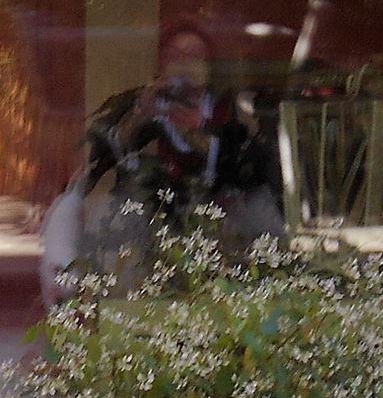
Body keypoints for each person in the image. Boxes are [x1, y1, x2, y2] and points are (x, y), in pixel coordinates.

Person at [39, 21, 282, 299]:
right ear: (161, 63)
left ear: (210, 66)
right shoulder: (140, 103)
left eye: (195, 57)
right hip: (145, 218)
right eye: (175, 56)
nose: (184, 65)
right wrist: (140, 114)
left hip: (220, 216)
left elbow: (250, 166)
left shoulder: (231, 109)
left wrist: (194, 133)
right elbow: (101, 155)